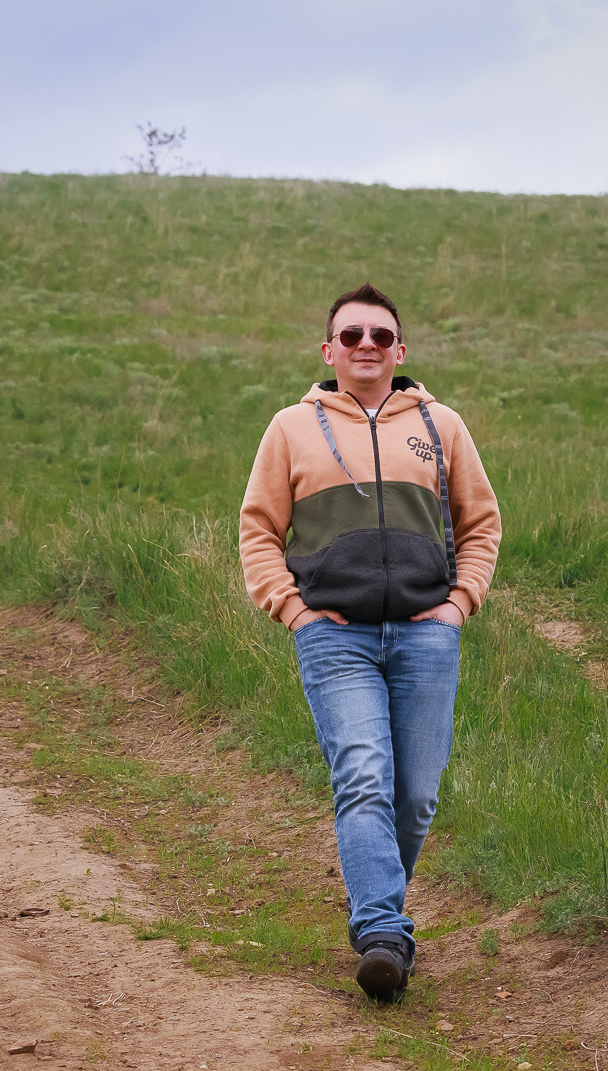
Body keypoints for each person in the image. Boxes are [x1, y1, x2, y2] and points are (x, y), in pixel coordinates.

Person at [239, 283, 501, 1001]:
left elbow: (480, 525)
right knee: (363, 777)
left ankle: (374, 901)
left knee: (413, 796)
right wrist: (293, 611)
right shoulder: (291, 428)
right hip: (334, 636)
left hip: (427, 636)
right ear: (329, 351)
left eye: (380, 337)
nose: (365, 346)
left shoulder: (441, 425)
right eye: (351, 336)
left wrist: (457, 605)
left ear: (399, 351)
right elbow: (259, 531)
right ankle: (383, 932)